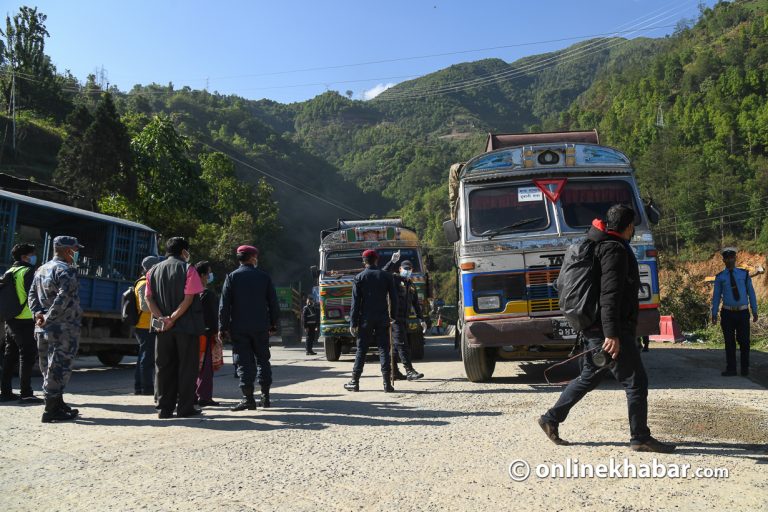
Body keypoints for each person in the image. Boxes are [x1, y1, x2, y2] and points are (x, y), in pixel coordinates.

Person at [538, 205, 676, 453]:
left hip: (596, 327)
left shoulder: (602, 245)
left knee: (590, 376)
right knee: (636, 381)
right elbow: (609, 295)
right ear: (629, 226)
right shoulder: (614, 250)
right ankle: (640, 437)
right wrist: (612, 334)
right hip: (608, 329)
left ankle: (550, 418)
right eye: (633, 226)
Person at [145, 237, 205, 419]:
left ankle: (164, 408)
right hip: (185, 327)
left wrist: (162, 318)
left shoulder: (152, 270)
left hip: (162, 328)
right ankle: (185, 408)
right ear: (184, 251)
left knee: (163, 367)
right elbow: (188, 298)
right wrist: (172, 318)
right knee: (187, 367)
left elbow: (149, 299)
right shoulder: (188, 269)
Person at [28, 236, 84, 423]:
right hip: (62, 327)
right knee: (59, 367)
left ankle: (57, 402)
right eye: (75, 250)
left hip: (42, 327)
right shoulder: (66, 270)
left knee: (48, 366)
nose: (76, 254)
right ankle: (51, 410)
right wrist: (50, 317)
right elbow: (64, 297)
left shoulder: (42, 269)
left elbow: (32, 295)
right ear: (68, 250)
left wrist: (38, 315)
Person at [219, 245, 279, 411]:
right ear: (253, 258)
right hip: (261, 327)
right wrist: (273, 324)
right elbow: (273, 303)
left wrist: (222, 328)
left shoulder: (231, 277)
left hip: (239, 327)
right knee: (263, 360)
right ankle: (265, 397)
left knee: (244, 363)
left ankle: (248, 399)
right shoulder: (264, 277)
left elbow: (224, 306)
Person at [345, 249, 398, 393]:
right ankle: (387, 384)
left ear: (364, 261)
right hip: (382, 318)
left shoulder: (359, 277)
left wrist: (353, 323)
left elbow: (355, 303)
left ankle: (354, 382)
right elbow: (394, 298)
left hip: (365, 319)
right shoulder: (386, 276)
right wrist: (393, 316)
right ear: (376, 260)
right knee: (384, 349)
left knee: (361, 350)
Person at [0, 243, 43, 404]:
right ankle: (26, 393)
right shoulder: (28, 271)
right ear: (25, 257)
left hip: (10, 318)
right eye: (32, 254)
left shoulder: (10, 271)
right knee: (27, 355)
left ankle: (5, 392)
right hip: (25, 319)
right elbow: (33, 296)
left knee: (9, 356)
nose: (34, 257)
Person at [711, 247, 757, 377]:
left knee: (745, 341)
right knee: (729, 342)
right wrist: (714, 314)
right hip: (727, 313)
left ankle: (744, 369)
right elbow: (716, 297)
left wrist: (755, 310)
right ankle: (731, 369)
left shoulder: (744, 274)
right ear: (724, 260)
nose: (730, 260)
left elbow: (751, 293)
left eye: (732, 258)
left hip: (742, 313)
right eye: (727, 258)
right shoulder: (720, 277)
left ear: (735, 258)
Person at [382, 252, 426, 381]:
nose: (407, 271)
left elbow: (416, 304)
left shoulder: (411, 285)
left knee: (395, 347)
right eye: (405, 269)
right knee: (402, 344)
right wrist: (392, 261)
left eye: (409, 269)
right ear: (400, 269)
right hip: (394, 318)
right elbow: (384, 273)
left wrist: (421, 319)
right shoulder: (394, 280)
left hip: (404, 319)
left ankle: (393, 372)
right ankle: (409, 370)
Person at [133, 255, 160, 396]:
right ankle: (145, 388)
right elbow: (145, 306)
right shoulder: (144, 283)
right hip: (145, 325)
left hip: (148, 324)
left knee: (144, 356)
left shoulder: (148, 281)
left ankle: (140, 387)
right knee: (147, 358)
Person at [195, 261, 219, 406]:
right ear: (203, 275)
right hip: (205, 334)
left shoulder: (190, 293)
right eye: (209, 273)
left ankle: (191, 395)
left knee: (192, 366)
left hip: (192, 334)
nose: (210, 275)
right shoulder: (207, 295)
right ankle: (204, 396)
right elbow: (212, 316)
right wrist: (216, 333)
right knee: (205, 367)